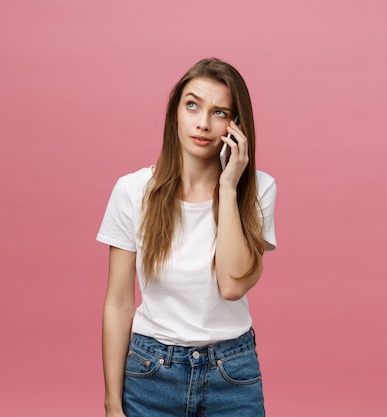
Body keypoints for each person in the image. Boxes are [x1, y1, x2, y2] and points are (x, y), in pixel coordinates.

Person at [97, 57, 277, 417]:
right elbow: (118, 302)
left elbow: (232, 285)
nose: (203, 123)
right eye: (192, 105)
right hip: (151, 374)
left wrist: (228, 187)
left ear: (236, 125)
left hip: (232, 374)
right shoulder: (132, 191)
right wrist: (112, 402)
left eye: (220, 112)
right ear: (175, 113)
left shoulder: (258, 188)